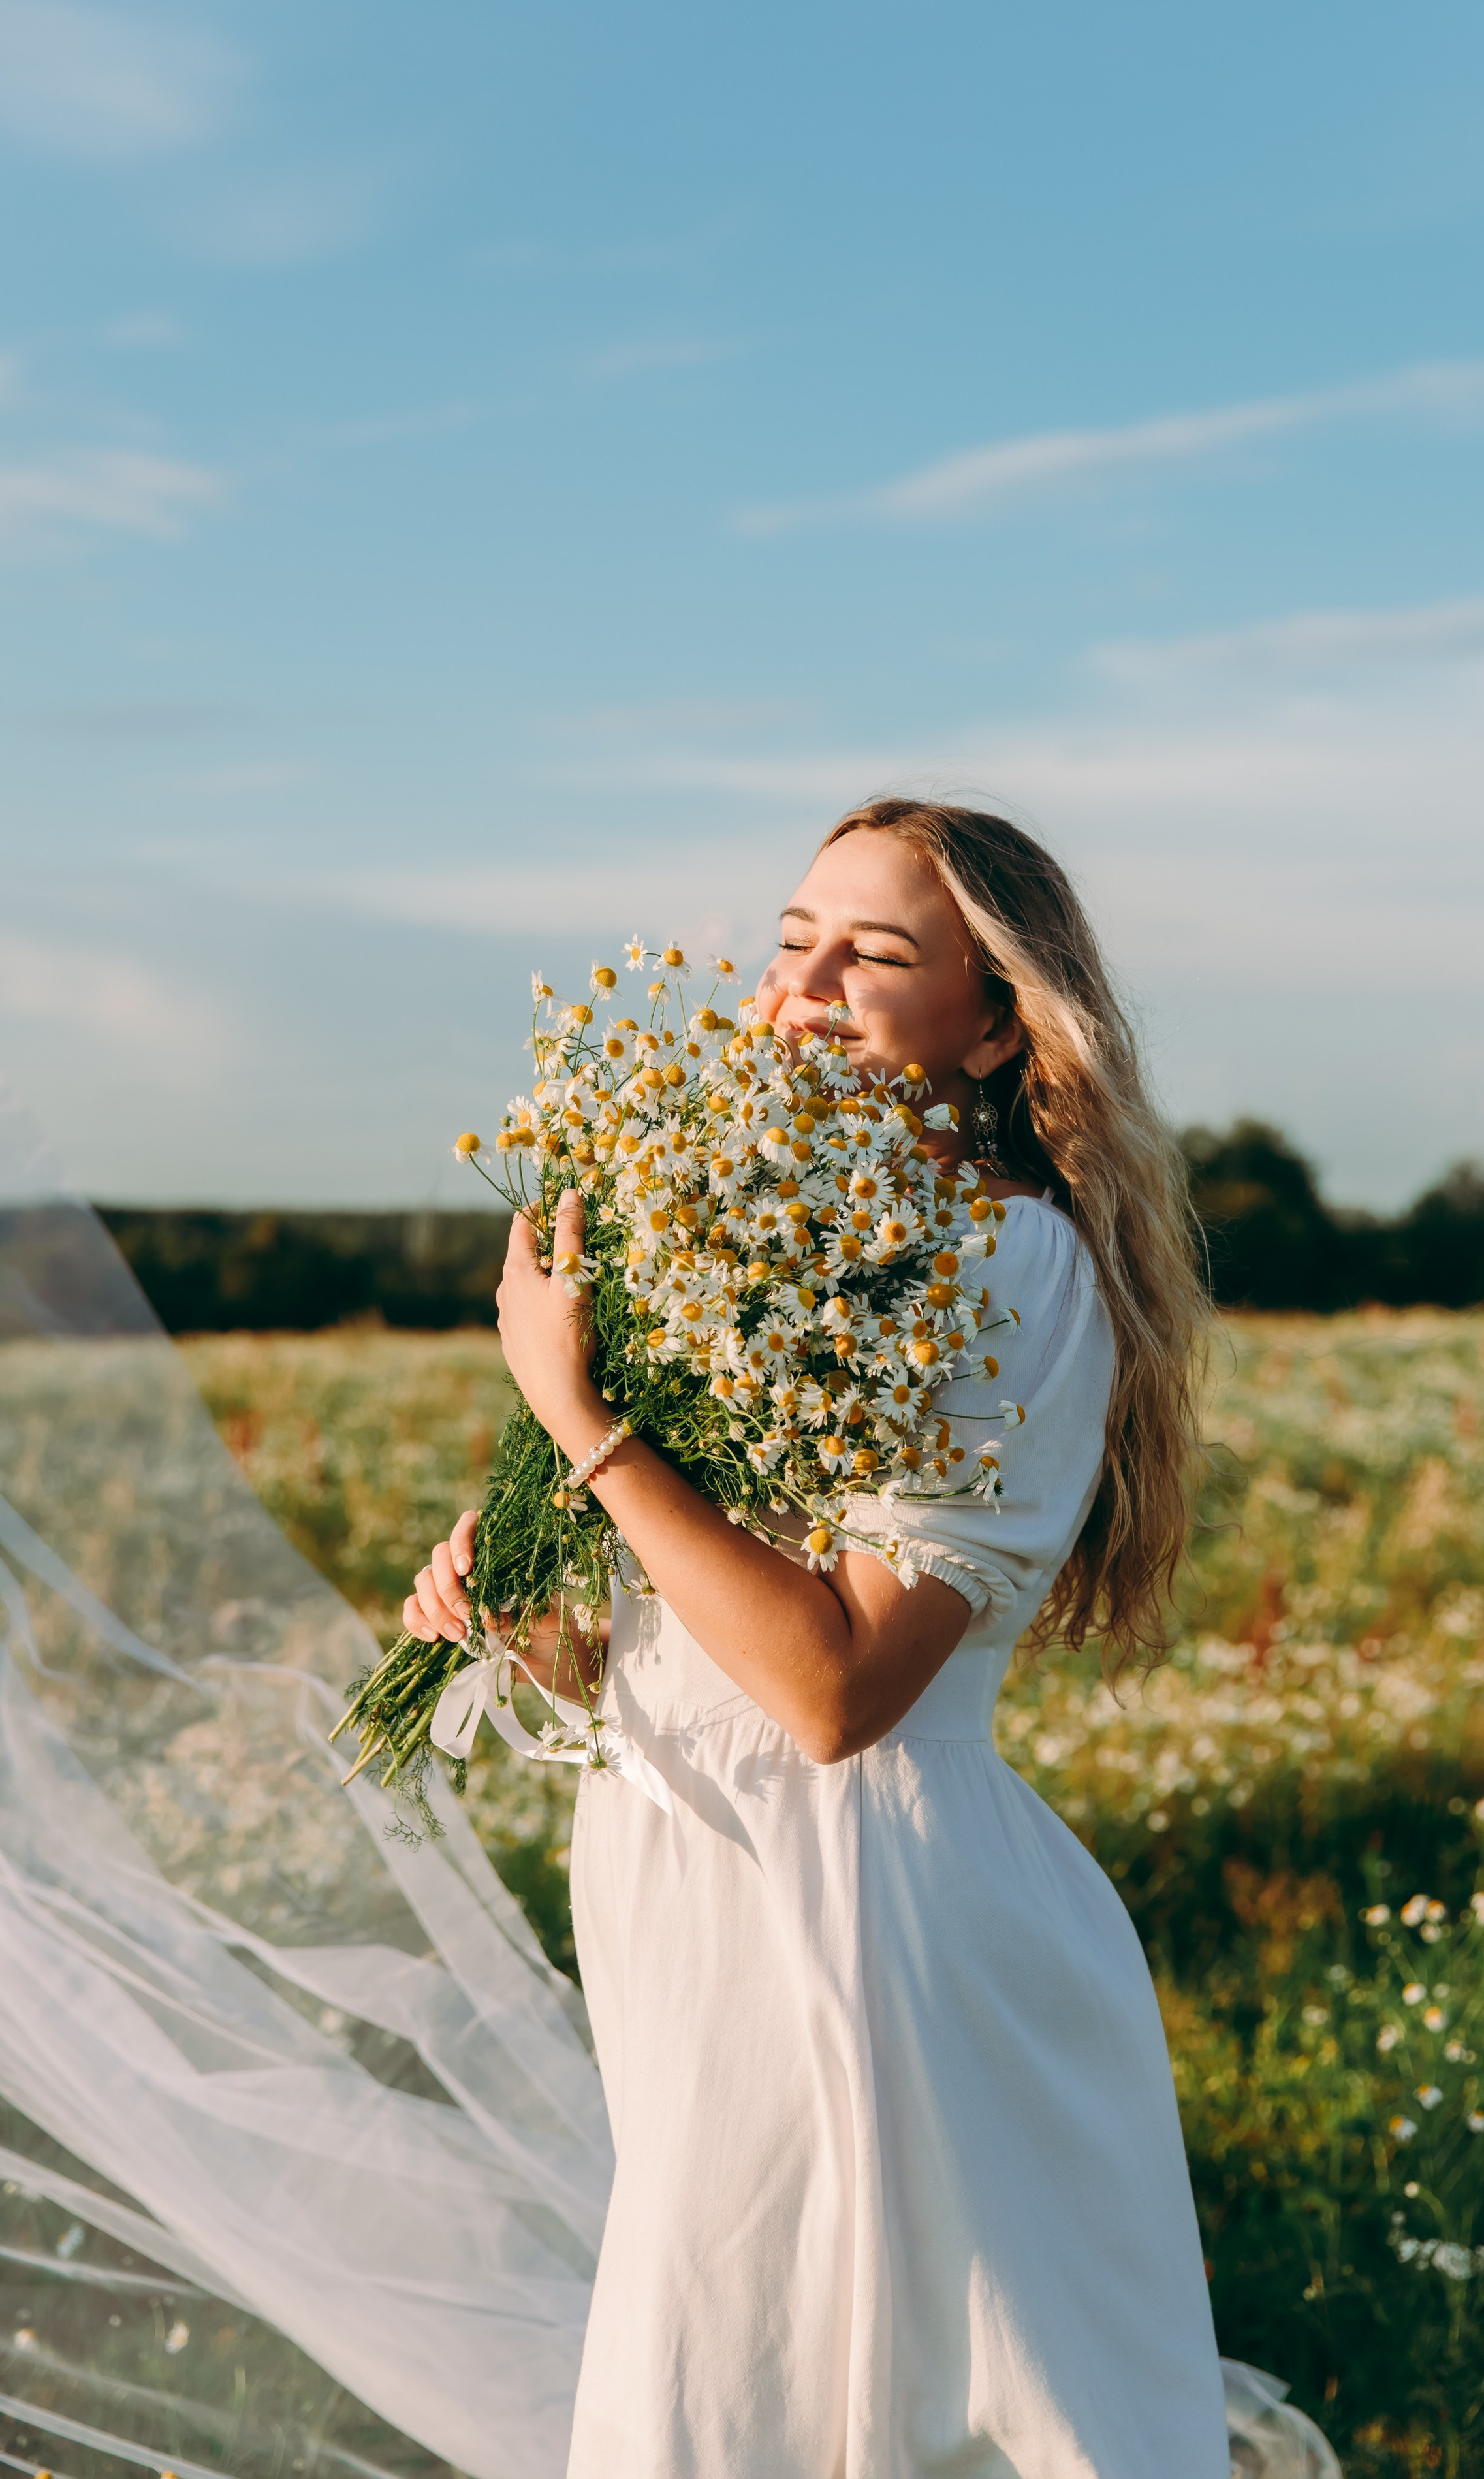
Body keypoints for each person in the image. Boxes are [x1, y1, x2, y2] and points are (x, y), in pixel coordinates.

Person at [407, 799, 1231, 2478]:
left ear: (997, 1024)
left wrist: (580, 1420)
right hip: (698, 1888)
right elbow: (709, 1631)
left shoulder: (1003, 1262)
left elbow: (836, 1687)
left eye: (877, 954)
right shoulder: (774, 1241)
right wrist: (550, 1619)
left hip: (857, 1923)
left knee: (804, 2406)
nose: (804, 987)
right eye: (794, 940)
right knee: (735, 2388)